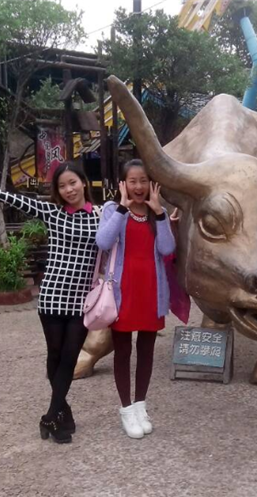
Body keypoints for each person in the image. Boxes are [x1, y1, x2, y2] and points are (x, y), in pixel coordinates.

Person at [0, 162, 99, 444]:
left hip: (82, 300)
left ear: (83, 182)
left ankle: (50, 415)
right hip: (53, 296)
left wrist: (162, 216)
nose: (69, 190)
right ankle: (61, 413)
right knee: (55, 355)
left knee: (70, 357)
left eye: (73, 183)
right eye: (62, 186)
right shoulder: (52, 212)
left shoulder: (102, 215)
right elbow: (11, 198)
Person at [96, 159, 175, 439]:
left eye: (143, 180)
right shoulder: (112, 209)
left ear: (151, 184)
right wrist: (122, 208)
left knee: (146, 350)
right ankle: (126, 409)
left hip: (151, 291)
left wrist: (160, 213)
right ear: (123, 184)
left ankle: (141, 405)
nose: (139, 186)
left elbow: (167, 248)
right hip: (123, 292)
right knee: (123, 352)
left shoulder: (157, 212)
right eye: (133, 181)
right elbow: (103, 242)